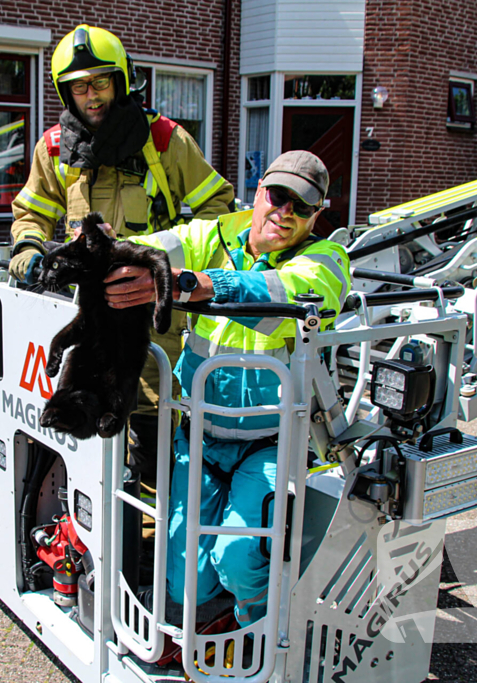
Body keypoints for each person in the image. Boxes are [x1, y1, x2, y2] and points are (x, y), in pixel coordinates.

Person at [105, 150, 351, 627]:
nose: (285, 212)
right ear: (259, 192)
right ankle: (229, 594)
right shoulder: (213, 236)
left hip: (269, 445)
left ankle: (259, 626)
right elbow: (153, 248)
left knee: (237, 560)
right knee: (183, 583)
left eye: (302, 206)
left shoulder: (326, 258)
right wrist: (107, 255)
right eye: (278, 196)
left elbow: (289, 298)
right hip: (200, 439)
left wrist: (199, 285)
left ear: (316, 214)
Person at [9, 24, 234, 482]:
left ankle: (149, 523)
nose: (90, 95)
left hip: (148, 326)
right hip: (86, 318)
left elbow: (219, 212)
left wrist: (166, 262)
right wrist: (29, 252)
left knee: (151, 437)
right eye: (78, 86)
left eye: (100, 82)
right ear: (66, 93)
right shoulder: (54, 149)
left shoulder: (165, 141)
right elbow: (30, 213)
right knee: (81, 432)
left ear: (122, 81)